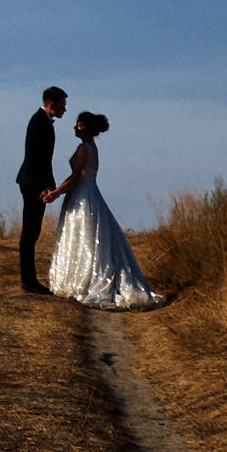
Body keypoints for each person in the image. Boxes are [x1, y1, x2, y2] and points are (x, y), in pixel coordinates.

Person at [42, 112, 164, 309]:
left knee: (85, 238)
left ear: (88, 129)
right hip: (89, 192)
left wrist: (56, 193)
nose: (75, 128)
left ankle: (85, 280)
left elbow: (75, 177)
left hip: (83, 194)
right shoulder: (92, 147)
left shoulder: (84, 148)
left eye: (79, 125)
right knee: (90, 239)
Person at [13, 86, 66, 293]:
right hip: (33, 181)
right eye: (62, 106)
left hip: (35, 180)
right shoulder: (39, 122)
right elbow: (38, 158)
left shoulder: (42, 122)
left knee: (33, 230)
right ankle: (28, 280)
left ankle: (30, 279)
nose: (65, 110)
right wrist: (45, 185)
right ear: (51, 105)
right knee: (30, 231)